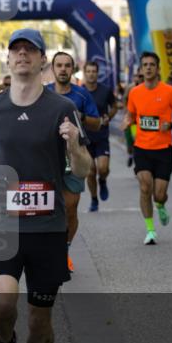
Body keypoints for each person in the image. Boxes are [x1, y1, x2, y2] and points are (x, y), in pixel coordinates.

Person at [0, 28, 91, 343]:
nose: (22, 55)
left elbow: (84, 169)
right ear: (9, 60)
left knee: (40, 320)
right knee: (2, 304)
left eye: (30, 50)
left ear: (42, 61)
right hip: (4, 226)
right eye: (16, 50)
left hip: (48, 230)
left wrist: (73, 145)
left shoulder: (61, 109)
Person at [122, 52, 172, 245]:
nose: (148, 68)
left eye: (152, 65)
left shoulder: (169, 91)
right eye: (145, 65)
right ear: (141, 69)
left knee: (159, 193)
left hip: (163, 148)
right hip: (142, 147)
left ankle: (161, 204)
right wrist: (126, 121)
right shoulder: (135, 92)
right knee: (144, 186)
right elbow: (130, 114)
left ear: (158, 69)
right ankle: (150, 230)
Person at [47, 52, 99, 273]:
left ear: (72, 69)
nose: (63, 69)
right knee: (47, 208)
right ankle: (47, 251)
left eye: (67, 65)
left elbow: (97, 124)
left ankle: (64, 249)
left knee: (70, 208)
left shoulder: (82, 94)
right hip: (48, 157)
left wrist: (81, 117)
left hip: (74, 156)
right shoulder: (42, 93)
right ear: (52, 68)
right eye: (59, 65)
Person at [82, 61, 118, 213]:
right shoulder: (79, 91)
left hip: (102, 135)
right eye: (88, 71)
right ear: (85, 73)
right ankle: (94, 199)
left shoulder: (105, 90)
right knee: (90, 171)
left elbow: (115, 106)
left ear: (97, 73)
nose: (91, 74)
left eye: (94, 71)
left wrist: (108, 116)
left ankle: (102, 181)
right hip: (85, 138)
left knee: (103, 169)